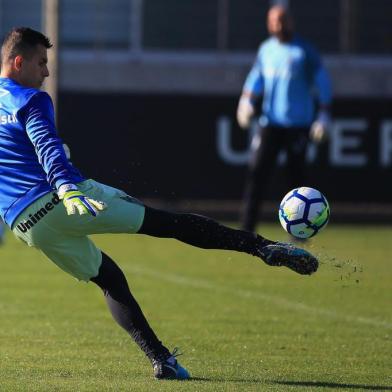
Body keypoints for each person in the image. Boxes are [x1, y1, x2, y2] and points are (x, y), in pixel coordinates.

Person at [0, 27, 318, 381]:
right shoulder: (30, 98)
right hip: (66, 198)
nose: (46, 72)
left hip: (27, 224)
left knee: (109, 279)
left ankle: (162, 361)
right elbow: (46, 142)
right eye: (41, 63)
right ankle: (263, 248)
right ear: (18, 62)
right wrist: (64, 185)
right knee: (169, 224)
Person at [237, 5, 332, 232]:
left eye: (283, 20)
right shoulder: (266, 50)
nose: (279, 25)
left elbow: (323, 82)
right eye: (274, 21)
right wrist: (246, 100)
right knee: (256, 174)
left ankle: (302, 231)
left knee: (297, 180)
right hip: (269, 124)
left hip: (298, 125)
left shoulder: (304, 51)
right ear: (269, 24)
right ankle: (246, 230)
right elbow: (256, 78)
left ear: (291, 22)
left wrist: (324, 113)